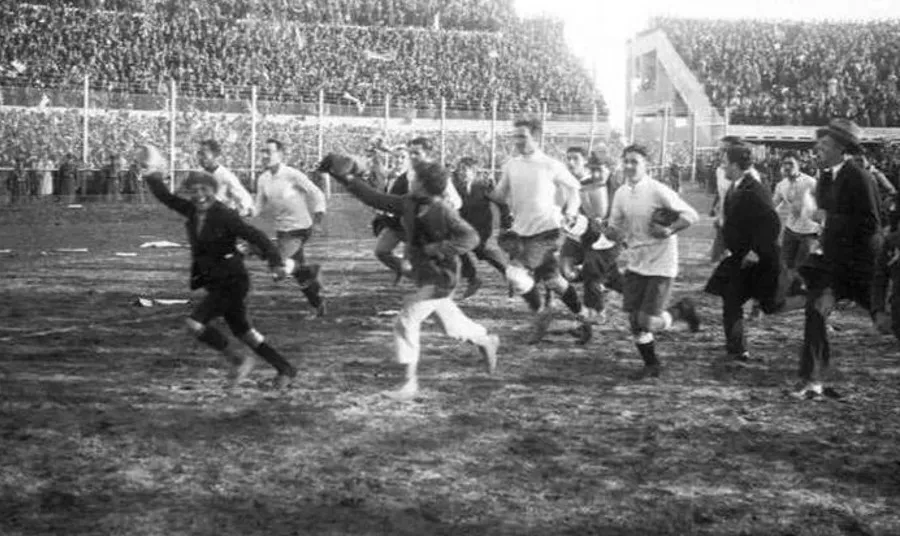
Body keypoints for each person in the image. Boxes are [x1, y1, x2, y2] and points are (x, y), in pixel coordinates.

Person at [318, 154, 499, 401]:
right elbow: (375, 198)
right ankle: (486, 340)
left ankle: (409, 383)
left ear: (424, 185)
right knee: (451, 327)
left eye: (415, 178)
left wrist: (439, 248)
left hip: (441, 278)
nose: (410, 180)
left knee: (406, 320)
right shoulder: (409, 203)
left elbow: (471, 238)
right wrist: (345, 177)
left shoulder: (442, 210)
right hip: (424, 275)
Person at [137, 144, 298, 389]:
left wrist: (275, 263)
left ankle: (239, 360)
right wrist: (151, 173)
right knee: (246, 333)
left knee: (195, 324)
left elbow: (257, 236)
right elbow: (166, 197)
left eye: (205, 190)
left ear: (214, 191)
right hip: (216, 282)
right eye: (194, 191)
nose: (199, 195)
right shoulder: (192, 210)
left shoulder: (224, 215)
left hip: (232, 282)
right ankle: (285, 368)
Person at [793, 119, 882, 400]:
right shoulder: (825, 177)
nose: (817, 150)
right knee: (815, 312)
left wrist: (828, 219)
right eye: (818, 145)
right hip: (832, 264)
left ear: (841, 149)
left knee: (888, 319)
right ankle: (813, 381)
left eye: (824, 145)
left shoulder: (859, 177)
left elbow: (871, 224)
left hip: (860, 266)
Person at [490, 118, 592, 345]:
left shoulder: (550, 164)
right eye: (515, 136)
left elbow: (574, 190)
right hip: (522, 231)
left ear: (536, 138)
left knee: (514, 273)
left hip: (548, 230)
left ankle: (541, 314)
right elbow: (499, 195)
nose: (517, 141)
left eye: (522, 136)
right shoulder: (511, 165)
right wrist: (484, 195)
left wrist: (571, 212)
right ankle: (583, 316)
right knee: (553, 280)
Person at [605, 144, 700, 379]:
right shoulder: (621, 193)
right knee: (634, 320)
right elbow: (615, 228)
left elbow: (691, 215)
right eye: (626, 161)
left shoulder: (657, 190)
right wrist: (602, 230)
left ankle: (680, 311)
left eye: (634, 161)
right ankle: (651, 364)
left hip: (661, 261)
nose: (629, 166)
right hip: (636, 260)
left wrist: (669, 229)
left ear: (646, 165)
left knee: (646, 320)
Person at [704, 142, 798, 362]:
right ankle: (737, 350)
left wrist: (755, 252)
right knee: (731, 298)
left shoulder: (754, 189)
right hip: (741, 258)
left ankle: (807, 298)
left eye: (725, 163)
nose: (722, 167)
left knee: (771, 305)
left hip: (760, 259)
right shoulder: (736, 187)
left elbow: (772, 223)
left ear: (736, 165)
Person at [255, 138, 327, 317]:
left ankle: (311, 270)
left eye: (269, 152)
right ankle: (318, 304)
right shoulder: (263, 179)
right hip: (282, 230)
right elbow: (258, 206)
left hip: (299, 228)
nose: (265, 155)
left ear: (280, 154)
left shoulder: (292, 174)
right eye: (263, 152)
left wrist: (318, 220)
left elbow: (317, 194)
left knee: (279, 271)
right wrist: (242, 211)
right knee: (298, 273)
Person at [559, 148, 623, 331]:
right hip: (579, 234)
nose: (571, 162)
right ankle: (606, 283)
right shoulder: (573, 184)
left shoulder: (614, 186)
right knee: (566, 271)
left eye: (575, 159)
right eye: (568, 158)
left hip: (604, 238)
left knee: (592, 273)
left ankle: (596, 311)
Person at [454, 157, 510, 299]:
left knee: (487, 253)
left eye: (465, 169)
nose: (461, 172)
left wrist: (506, 224)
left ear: (473, 172)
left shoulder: (483, 187)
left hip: (483, 229)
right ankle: (472, 279)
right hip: (466, 229)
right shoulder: (456, 189)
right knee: (457, 248)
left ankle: (512, 276)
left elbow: (502, 204)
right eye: (460, 169)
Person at [772, 151, 819, 292]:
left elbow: (823, 204)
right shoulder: (781, 185)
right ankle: (790, 292)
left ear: (799, 164)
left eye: (791, 163)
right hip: (790, 230)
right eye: (784, 164)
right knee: (786, 264)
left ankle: (804, 293)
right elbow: (772, 205)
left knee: (802, 267)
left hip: (809, 232)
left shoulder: (810, 182)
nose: (787, 167)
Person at [197, 139, 255, 217]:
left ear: (215, 155)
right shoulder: (201, 175)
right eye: (199, 154)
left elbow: (243, 195)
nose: (200, 158)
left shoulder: (225, 175)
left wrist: (246, 209)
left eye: (204, 154)